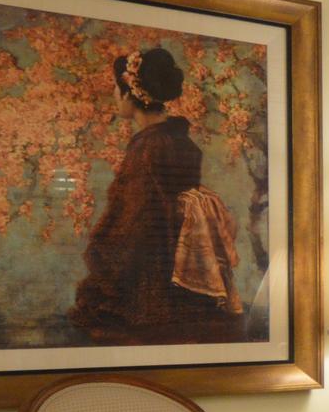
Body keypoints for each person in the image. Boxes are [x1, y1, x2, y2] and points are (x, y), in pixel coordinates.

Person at [70, 47, 244, 345]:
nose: (113, 95)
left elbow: (135, 216)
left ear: (130, 94)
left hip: (153, 277)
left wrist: (107, 247)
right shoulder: (179, 139)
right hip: (181, 268)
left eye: (116, 89)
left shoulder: (148, 146)